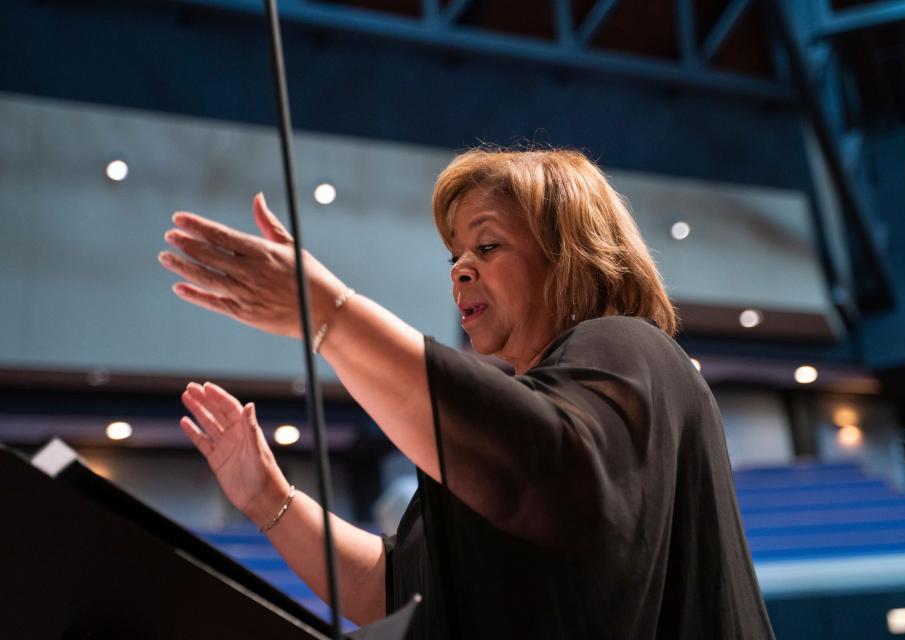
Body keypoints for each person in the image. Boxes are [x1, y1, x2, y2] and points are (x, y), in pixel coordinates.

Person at [158, 147, 774, 639]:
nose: (459, 269)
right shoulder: (524, 420)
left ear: (569, 255)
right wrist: (268, 495)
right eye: (454, 254)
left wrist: (330, 314)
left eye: (486, 246)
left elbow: (543, 462)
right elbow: (398, 590)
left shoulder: (628, 347)